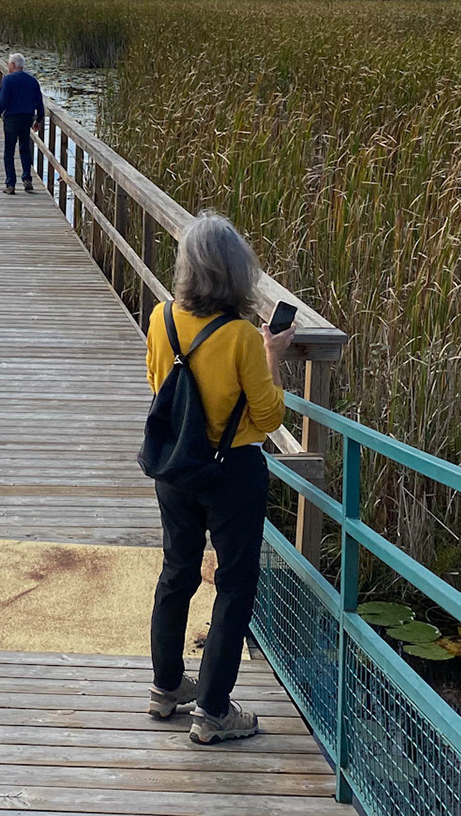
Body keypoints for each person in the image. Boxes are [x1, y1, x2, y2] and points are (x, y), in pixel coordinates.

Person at [144, 213, 290, 745]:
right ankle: (212, 710)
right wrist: (273, 354)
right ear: (236, 271)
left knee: (176, 572)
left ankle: (165, 688)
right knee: (234, 582)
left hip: (175, 468)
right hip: (233, 473)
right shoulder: (242, 339)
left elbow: (158, 381)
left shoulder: (160, 318)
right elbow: (271, 416)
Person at [0, 52, 43, 194]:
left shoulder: (8, 80)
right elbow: (39, 102)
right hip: (27, 118)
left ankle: (10, 184)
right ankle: (27, 179)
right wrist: (39, 119)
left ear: (12, 65)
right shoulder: (32, 81)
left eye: (8, 64)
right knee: (24, 148)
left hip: (11, 119)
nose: (7, 67)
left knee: (9, 151)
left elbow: (2, 100)